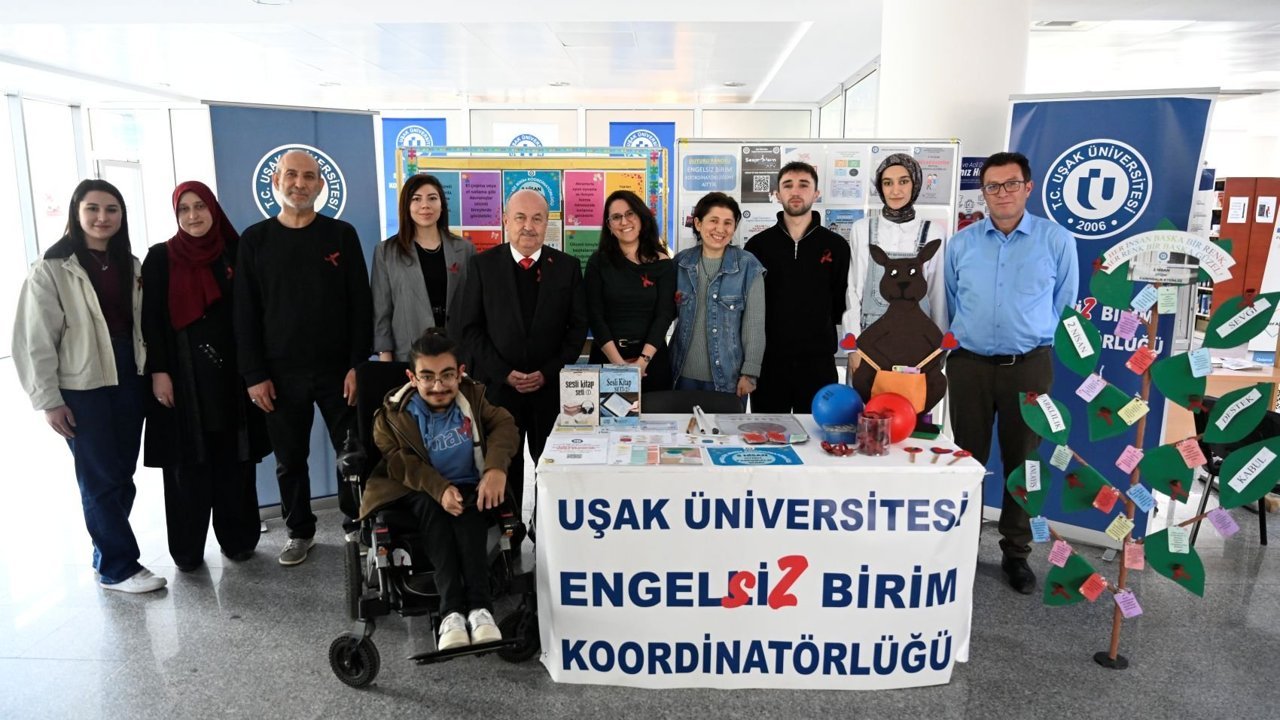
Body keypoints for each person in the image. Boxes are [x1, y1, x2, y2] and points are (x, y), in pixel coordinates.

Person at [13, 179, 164, 593]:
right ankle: (119, 567)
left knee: (122, 474)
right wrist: (48, 400)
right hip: (82, 385)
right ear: (76, 213)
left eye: (111, 209)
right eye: (92, 208)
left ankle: (105, 553)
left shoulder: (130, 264)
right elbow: (34, 340)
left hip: (128, 376)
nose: (102, 217)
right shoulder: (52, 267)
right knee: (99, 477)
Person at [944, 151, 1079, 595]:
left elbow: (1064, 302)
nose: (1002, 193)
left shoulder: (1055, 240)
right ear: (983, 193)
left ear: (1028, 187)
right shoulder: (962, 243)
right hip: (969, 365)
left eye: (1011, 184)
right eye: (992, 186)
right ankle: (961, 546)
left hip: (1029, 367)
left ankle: (1016, 552)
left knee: (1024, 461)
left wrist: (1032, 335)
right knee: (967, 459)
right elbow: (951, 300)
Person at [234, 149, 374, 566]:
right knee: (290, 459)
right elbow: (244, 313)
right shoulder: (255, 240)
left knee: (353, 455)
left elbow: (360, 305)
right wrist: (254, 375)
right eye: (291, 175)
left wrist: (358, 365)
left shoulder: (341, 235)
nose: (300, 183)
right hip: (278, 374)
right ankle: (299, 531)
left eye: (309, 176)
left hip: (338, 371)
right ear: (276, 181)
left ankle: (356, 524)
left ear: (320, 184)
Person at [358, 328, 517, 650]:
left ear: (460, 373)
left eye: (447, 375)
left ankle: (480, 609)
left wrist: (495, 468)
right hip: (416, 489)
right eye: (427, 377)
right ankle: (451, 613)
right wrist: (439, 488)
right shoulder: (392, 415)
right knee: (435, 512)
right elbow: (399, 463)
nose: (438, 386)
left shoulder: (473, 398)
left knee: (470, 512)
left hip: (468, 485)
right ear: (412, 378)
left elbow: (504, 425)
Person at [141, 181, 270, 572]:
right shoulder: (160, 257)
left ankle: (239, 540)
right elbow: (152, 321)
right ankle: (187, 551)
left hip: (232, 377)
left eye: (200, 206)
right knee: (186, 467)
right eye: (184, 209)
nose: (193, 215)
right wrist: (159, 372)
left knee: (235, 460)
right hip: (182, 378)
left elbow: (254, 313)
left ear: (213, 209)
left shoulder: (235, 252)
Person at [456, 189, 587, 523]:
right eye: (520, 217)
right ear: (505, 220)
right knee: (503, 468)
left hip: (550, 391)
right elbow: (470, 329)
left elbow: (576, 330)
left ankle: (546, 530)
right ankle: (508, 534)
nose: (529, 226)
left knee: (552, 468)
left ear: (547, 224)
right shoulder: (482, 266)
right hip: (500, 392)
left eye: (537, 218)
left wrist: (548, 371)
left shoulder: (567, 267)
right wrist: (503, 373)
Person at [744, 161, 850, 413]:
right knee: (769, 432)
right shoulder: (758, 246)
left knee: (815, 432)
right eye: (788, 185)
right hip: (769, 363)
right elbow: (749, 307)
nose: (795, 191)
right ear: (777, 194)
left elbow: (840, 302)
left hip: (818, 363)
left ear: (816, 193)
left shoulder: (836, 246)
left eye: (804, 185)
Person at [670, 192, 765, 408]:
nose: (720, 229)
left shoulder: (748, 266)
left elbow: (754, 326)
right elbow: (663, 314)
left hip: (728, 379)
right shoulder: (681, 263)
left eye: (728, 223)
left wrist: (750, 373)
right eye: (713, 220)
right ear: (698, 223)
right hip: (680, 376)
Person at [843, 152, 948, 342]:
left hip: (918, 342)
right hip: (870, 339)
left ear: (915, 184)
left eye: (903, 181)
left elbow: (937, 294)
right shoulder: (862, 229)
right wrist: (852, 345)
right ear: (880, 187)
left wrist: (940, 347)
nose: (895, 190)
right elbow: (854, 290)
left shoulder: (934, 232)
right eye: (887, 183)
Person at [372, 174, 475, 362]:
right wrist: (385, 358)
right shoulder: (386, 252)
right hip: (409, 356)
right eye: (416, 199)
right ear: (406, 206)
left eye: (432, 198)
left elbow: (473, 308)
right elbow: (381, 312)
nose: (425, 205)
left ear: (442, 205)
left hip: (456, 354)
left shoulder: (465, 249)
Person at [584, 190, 675, 393]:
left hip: (652, 363)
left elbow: (664, 315)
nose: (624, 222)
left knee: (655, 414)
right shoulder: (598, 262)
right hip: (607, 361)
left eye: (630, 214)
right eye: (616, 217)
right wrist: (619, 366)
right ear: (609, 226)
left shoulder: (663, 264)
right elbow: (595, 316)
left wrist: (642, 362)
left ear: (641, 217)